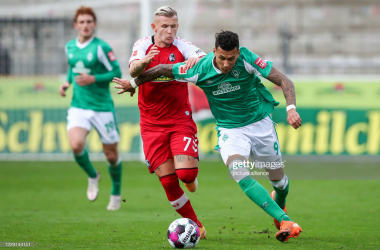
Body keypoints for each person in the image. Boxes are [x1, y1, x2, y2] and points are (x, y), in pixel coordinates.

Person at [114, 30, 303, 242]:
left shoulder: (248, 58)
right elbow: (159, 69)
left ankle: (279, 200)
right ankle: (284, 219)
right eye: (221, 58)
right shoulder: (200, 69)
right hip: (231, 131)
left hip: (261, 126)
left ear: (238, 53)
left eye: (231, 59)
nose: (225, 64)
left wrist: (291, 109)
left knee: (279, 182)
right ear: (213, 52)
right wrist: (133, 84)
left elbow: (284, 80)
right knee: (241, 174)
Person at [127, 6, 207, 238]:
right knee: (169, 183)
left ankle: (191, 178)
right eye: (164, 27)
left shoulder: (181, 45)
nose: (169, 31)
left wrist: (196, 59)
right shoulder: (142, 45)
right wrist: (144, 62)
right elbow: (133, 71)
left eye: (173, 26)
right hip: (151, 126)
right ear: (154, 27)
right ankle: (196, 224)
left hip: (179, 120)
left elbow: (203, 57)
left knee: (185, 176)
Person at [59, 6, 123, 211]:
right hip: (79, 105)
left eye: (89, 22)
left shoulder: (101, 48)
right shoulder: (69, 46)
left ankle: (115, 192)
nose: (85, 25)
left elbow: (116, 71)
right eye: (82, 22)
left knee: (111, 156)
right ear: (75, 25)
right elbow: (73, 67)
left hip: (102, 107)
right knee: (76, 145)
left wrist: (93, 78)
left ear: (94, 25)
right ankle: (93, 175)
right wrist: (67, 83)